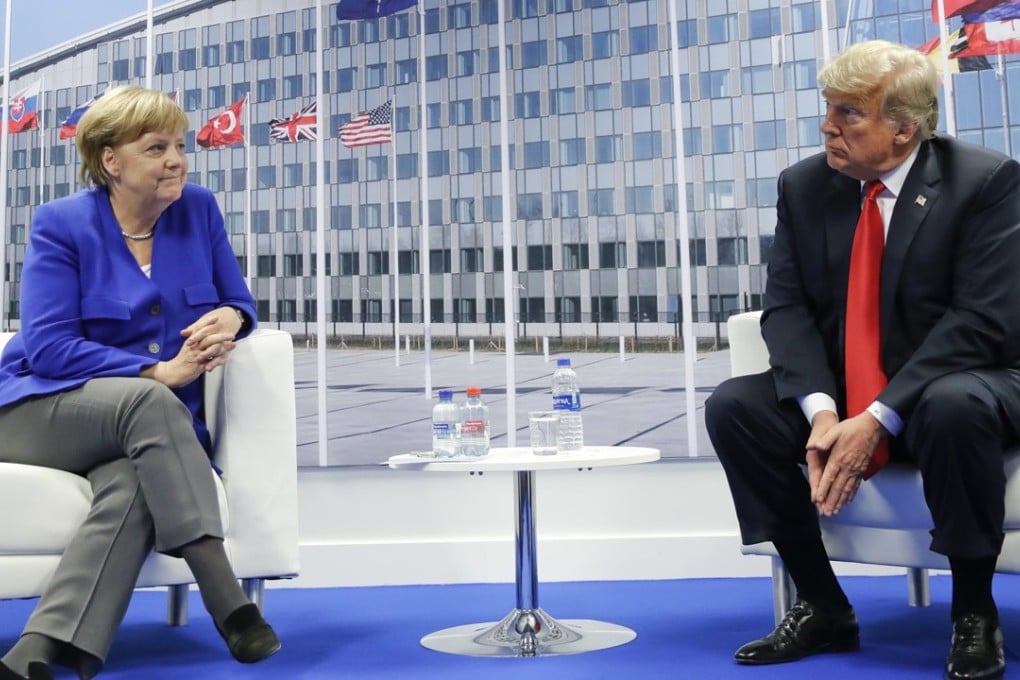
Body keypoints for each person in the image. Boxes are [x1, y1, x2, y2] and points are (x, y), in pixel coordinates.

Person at [705, 40, 1020, 680]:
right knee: (735, 406)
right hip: (847, 392)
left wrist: (877, 415)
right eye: (829, 110)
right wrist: (822, 414)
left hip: (970, 380)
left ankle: (973, 611)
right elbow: (786, 311)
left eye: (849, 113)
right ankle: (823, 606)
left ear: (904, 129)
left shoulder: (985, 182)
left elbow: (980, 323)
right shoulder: (805, 185)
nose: (828, 127)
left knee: (952, 402)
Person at [0, 85, 280, 680]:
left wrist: (232, 317)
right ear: (111, 160)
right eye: (156, 147)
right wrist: (157, 372)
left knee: (132, 480)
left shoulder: (198, 210)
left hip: (147, 431)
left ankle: (38, 651)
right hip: (39, 410)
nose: (176, 159)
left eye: (179, 145)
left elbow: (238, 301)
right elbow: (48, 349)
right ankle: (225, 596)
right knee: (149, 400)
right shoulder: (61, 225)